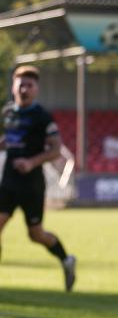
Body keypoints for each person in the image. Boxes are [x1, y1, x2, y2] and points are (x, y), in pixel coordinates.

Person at [0, 65, 76, 291]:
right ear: (13, 86)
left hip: (31, 185)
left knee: (36, 234)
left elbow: (56, 149)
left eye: (29, 85)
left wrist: (31, 162)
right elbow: (9, 139)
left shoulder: (42, 117)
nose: (24, 89)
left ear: (36, 89)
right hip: (8, 181)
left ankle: (66, 259)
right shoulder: (7, 113)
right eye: (20, 84)